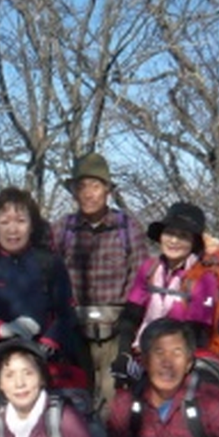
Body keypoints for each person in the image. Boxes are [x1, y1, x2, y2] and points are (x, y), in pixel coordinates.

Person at [0, 186, 91, 437]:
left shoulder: (49, 264)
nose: (13, 229)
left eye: (21, 221)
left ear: (32, 225)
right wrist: (3, 329)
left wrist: (46, 344)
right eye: (5, 222)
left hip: (41, 361)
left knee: (41, 433)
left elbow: (66, 313)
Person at [53, 153, 147, 412]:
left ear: (107, 190)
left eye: (95, 186)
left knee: (114, 401)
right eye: (81, 186)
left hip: (117, 328)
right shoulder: (63, 229)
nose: (88, 194)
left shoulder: (127, 228)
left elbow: (140, 279)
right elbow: (50, 278)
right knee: (75, 400)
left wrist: (129, 327)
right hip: (73, 329)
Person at [111, 202, 219, 389]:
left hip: (179, 362)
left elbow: (196, 333)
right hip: (142, 356)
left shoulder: (204, 278)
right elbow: (131, 315)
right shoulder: (149, 269)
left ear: (193, 243)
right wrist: (123, 353)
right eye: (169, 233)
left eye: (183, 236)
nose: (174, 241)